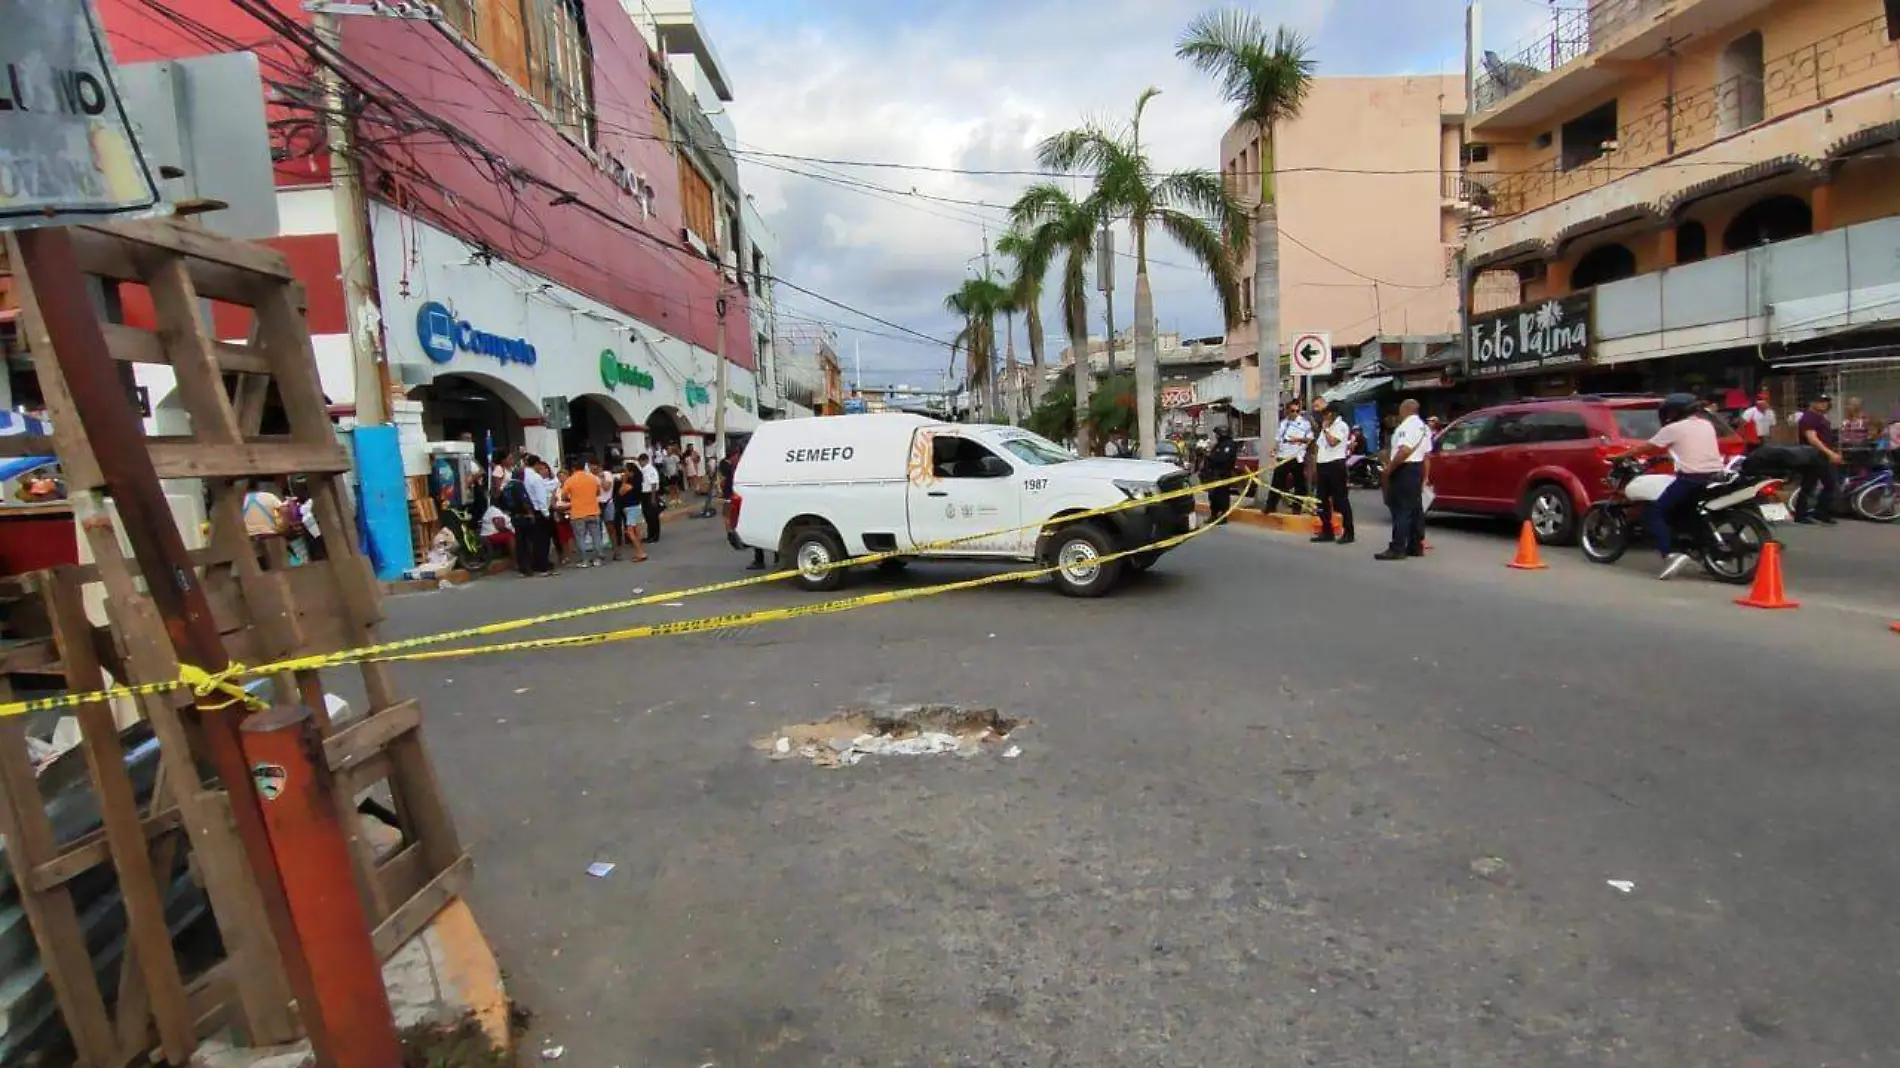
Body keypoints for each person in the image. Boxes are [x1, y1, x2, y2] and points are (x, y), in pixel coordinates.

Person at [1618, 393, 1728, 579]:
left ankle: (1670, 554)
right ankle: (1712, 556)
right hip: (1717, 476)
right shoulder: (1706, 424)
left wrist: (1621, 456)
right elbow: (1690, 447)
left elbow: (1646, 447)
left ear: (1674, 411)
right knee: (1691, 513)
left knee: (1652, 513)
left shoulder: (1673, 429)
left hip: (1691, 479)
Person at [1374, 399, 1432, 561]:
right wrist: (1425, 477)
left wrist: (1389, 469)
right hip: (1416, 469)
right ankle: (1415, 545)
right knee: (1415, 510)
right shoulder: (1424, 428)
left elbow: (1404, 450)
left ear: (1405, 409)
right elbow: (1427, 455)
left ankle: (1398, 547)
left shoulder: (1407, 426)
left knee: (1401, 510)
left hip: (1404, 469)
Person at [1311, 403, 1354, 545]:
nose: (1325, 416)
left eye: (1327, 413)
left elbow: (1332, 442)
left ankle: (1349, 532)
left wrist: (1326, 429)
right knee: (1321, 500)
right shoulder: (1325, 429)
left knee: (1340, 500)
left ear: (1334, 413)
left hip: (1336, 465)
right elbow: (1318, 447)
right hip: (1323, 465)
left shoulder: (1341, 426)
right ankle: (1327, 531)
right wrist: (1315, 467)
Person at [1795, 394, 1842, 525]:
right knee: (1809, 485)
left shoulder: (1820, 417)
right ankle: (1801, 515)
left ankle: (1820, 512)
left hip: (1822, 456)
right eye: (1820, 402)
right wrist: (1830, 453)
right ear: (1812, 403)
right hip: (1813, 456)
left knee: (1829, 484)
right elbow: (1812, 439)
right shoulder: (1809, 417)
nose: (1824, 404)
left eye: (1826, 402)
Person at [1267, 400, 1312, 514]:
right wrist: (1274, 450)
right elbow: (1278, 439)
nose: (1295, 413)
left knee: (1299, 484)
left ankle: (1297, 508)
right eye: (1292, 410)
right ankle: (1270, 506)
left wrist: (1297, 440)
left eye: (1297, 411)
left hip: (1297, 457)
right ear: (1287, 411)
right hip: (1283, 456)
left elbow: (1310, 439)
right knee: (1276, 482)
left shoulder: (1304, 423)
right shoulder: (1283, 423)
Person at [561, 459, 605, 568]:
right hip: (593, 511)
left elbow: (563, 496)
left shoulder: (570, 480)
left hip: (578, 513)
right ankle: (598, 558)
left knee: (580, 538)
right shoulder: (592, 478)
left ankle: (585, 560)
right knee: (596, 536)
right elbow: (598, 492)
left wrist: (571, 498)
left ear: (573, 469)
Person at [500, 458, 537, 576]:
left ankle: (521, 567)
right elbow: (524, 501)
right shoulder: (518, 485)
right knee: (528, 542)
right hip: (523, 517)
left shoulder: (507, 487)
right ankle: (529, 567)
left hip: (514, 516)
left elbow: (503, 503)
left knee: (519, 543)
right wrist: (530, 513)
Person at [524, 458, 559, 575]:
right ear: (537, 464)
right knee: (543, 540)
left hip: (530, 510)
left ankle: (537, 563)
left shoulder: (524, 476)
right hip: (539, 511)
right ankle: (543, 565)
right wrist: (546, 513)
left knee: (536, 540)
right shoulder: (536, 478)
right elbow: (541, 498)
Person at [1200, 425, 1238, 522]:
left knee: (1222, 495)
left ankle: (1223, 516)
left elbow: (1222, 459)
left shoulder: (1229, 445)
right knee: (1213, 496)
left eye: (1217, 434)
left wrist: (1210, 456)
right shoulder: (1218, 444)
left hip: (1223, 474)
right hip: (1214, 474)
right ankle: (1214, 515)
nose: (1215, 436)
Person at [615, 461, 648, 562]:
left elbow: (620, 492)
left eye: (626, 471)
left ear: (631, 472)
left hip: (631, 508)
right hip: (636, 506)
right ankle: (640, 551)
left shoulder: (630, 484)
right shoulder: (638, 482)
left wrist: (624, 481)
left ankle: (640, 552)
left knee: (630, 531)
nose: (624, 473)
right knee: (636, 530)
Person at [638, 452, 664, 542]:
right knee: (647, 516)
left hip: (650, 494)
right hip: (644, 494)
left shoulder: (650, 469)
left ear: (645, 460)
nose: (640, 463)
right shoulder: (643, 469)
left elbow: (653, 484)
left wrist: (653, 498)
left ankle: (655, 536)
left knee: (652, 516)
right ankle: (650, 535)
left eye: (641, 461)